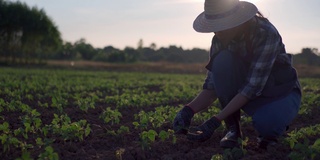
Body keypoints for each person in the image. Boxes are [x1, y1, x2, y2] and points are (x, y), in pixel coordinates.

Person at [172, 0, 301, 149]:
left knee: (268, 126)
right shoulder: (220, 39)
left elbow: (252, 87)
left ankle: (276, 122)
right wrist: (188, 110)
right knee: (222, 60)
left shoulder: (264, 33)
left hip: (279, 91)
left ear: (237, 21)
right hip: (248, 91)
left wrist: (216, 120)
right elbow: (212, 86)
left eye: (221, 25)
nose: (217, 32)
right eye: (214, 27)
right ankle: (233, 129)